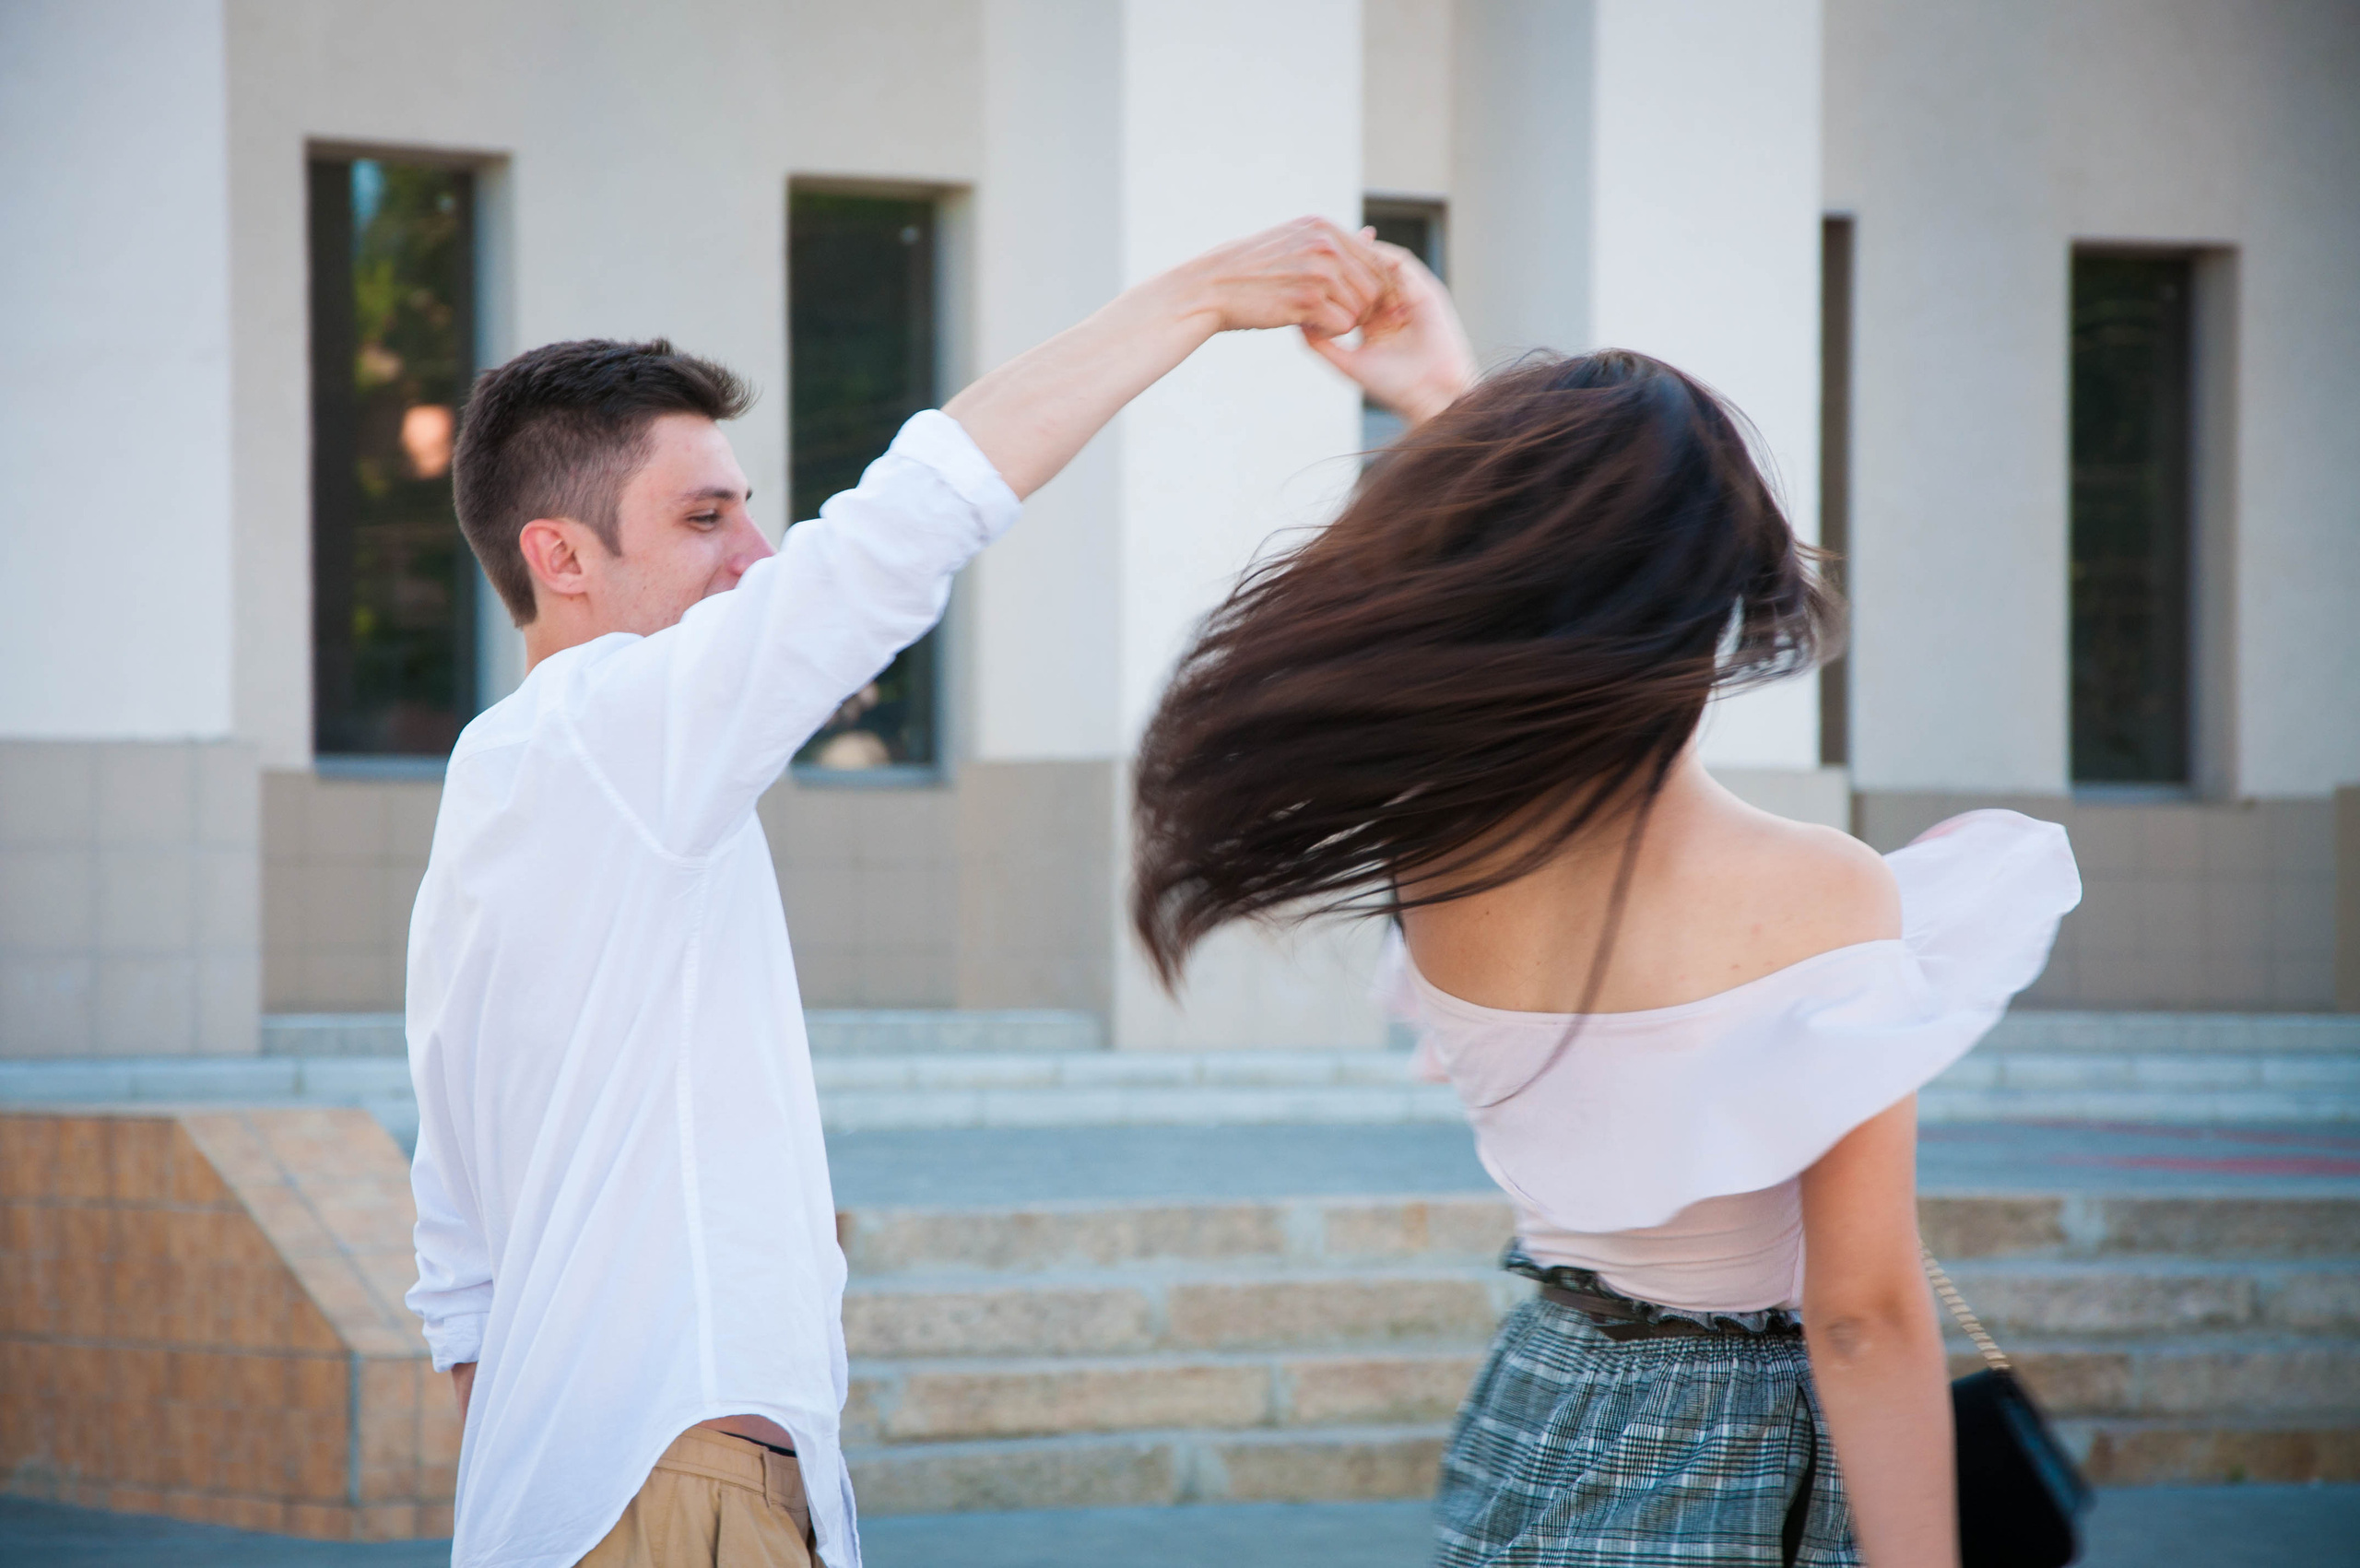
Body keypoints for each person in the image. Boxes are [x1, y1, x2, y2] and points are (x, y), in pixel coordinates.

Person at [404, 218, 1398, 1568]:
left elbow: (457, 1254)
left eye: (747, 507)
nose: (757, 553)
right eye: (703, 517)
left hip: (598, 1496)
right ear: (561, 558)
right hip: (675, 1491)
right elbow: (899, 530)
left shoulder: (509, 779)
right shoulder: (607, 732)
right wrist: (1203, 295)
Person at [1129, 248, 2081, 1566]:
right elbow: (1861, 1311)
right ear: (1715, 598)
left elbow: (1527, 591)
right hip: (1739, 1432)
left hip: (1546, 1388)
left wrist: (1452, 408)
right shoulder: (1817, 888)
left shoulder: (1432, 850)